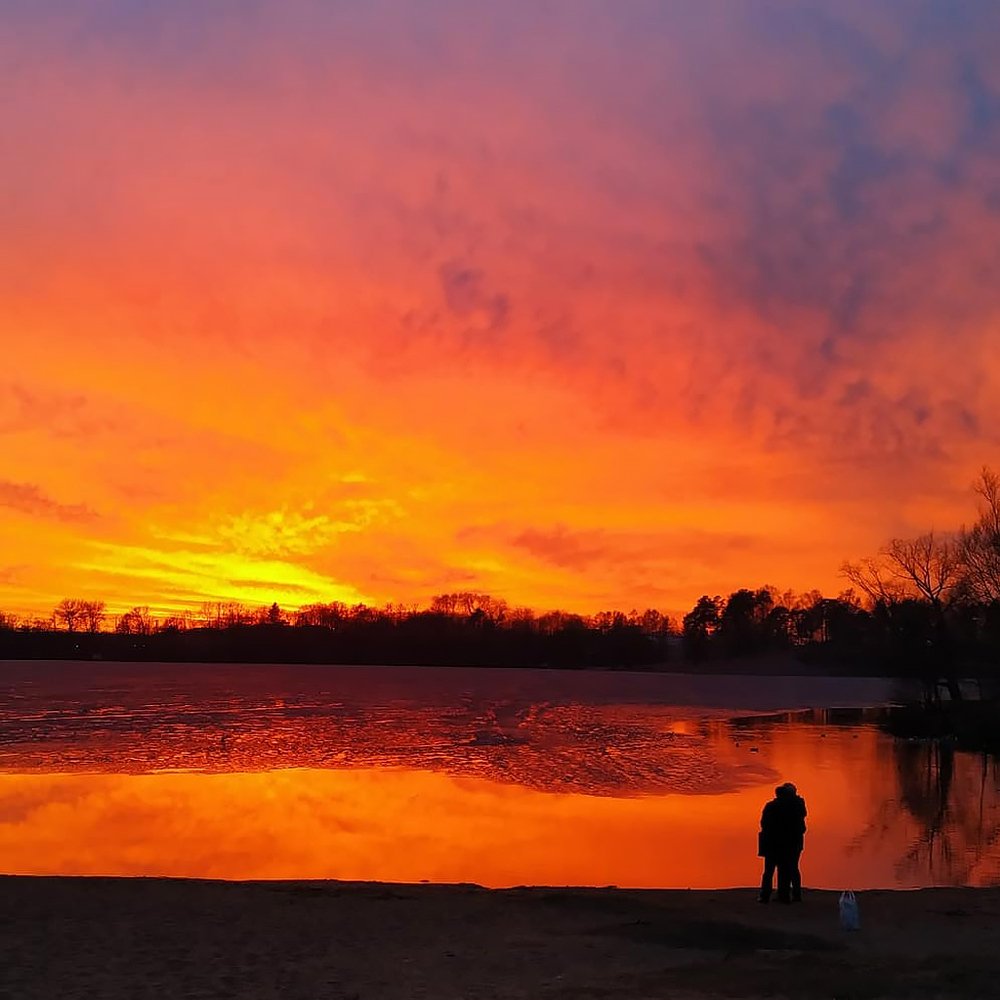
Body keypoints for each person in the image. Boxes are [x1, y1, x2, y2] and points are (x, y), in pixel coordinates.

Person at [757, 781, 807, 903]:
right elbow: (802, 828)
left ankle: (767, 896)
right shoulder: (797, 807)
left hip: (775, 843)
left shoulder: (772, 806)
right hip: (791, 843)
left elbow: (764, 824)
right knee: (788, 868)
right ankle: (787, 895)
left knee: (771, 870)